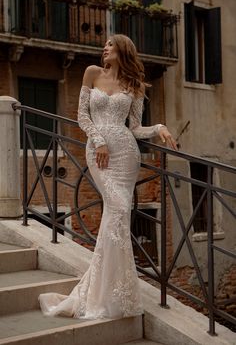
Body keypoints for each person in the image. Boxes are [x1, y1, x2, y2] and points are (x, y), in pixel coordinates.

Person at [39, 34, 177, 319]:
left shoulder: (135, 85)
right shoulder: (92, 73)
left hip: (127, 155)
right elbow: (81, 116)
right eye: (105, 45)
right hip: (99, 153)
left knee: (118, 219)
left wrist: (159, 127)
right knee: (115, 212)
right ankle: (104, 293)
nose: (105, 48)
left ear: (123, 49)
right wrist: (98, 140)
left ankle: (116, 292)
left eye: (110, 45)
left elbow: (136, 128)